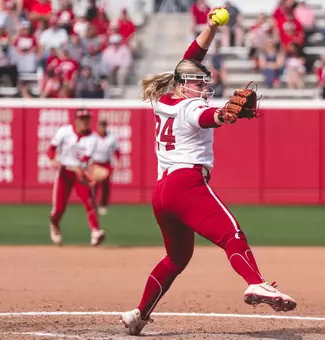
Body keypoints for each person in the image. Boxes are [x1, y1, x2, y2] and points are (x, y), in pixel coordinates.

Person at [119, 6, 297, 336]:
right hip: (187, 184)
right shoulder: (191, 106)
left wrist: (210, 29)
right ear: (183, 85)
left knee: (176, 258)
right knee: (231, 233)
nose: (203, 87)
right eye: (199, 83)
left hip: (161, 193)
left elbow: (190, 59)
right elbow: (208, 116)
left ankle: (138, 315)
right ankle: (256, 283)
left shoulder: (163, 98)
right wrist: (226, 115)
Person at [46, 109, 106, 246]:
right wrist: (53, 159)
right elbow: (50, 149)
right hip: (64, 172)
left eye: (87, 119)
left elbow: (86, 158)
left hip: (80, 173)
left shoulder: (93, 138)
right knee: (59, 209)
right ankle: (54, 224)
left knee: (90, 202)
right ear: (76, 120)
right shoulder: (64, 131)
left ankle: (95, 232)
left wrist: (85, 171)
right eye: (82, 119)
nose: (85, 122)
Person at [91, 120, 120, 216]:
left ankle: (103, 205)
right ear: (97, 127)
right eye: (101, 126)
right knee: (93, 185)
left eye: (104, 126)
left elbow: (116, 151)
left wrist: (118, 163)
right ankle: (92, 204)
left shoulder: (112, 137)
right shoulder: (93, 137)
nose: (102, 128)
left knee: (105, 185)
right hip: (95, 163)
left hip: (106, 163)